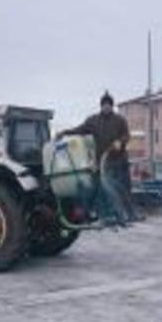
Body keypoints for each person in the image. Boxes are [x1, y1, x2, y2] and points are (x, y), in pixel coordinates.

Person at [57, 91, 139, 225]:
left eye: (109, 105)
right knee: (104, 189)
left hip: (119, 161)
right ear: (101, 106)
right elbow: (80, 129)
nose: (106, 107)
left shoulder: (120, 120)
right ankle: (109, 216)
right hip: (103, 162)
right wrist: (65, 132)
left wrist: (120, 141)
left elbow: (127, 135)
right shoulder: (93, 121)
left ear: (112, 106)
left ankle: (129, 214)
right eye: (104, 105)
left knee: (121, 189)